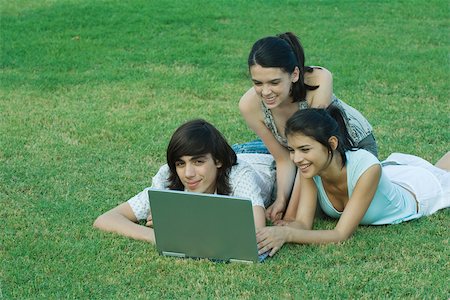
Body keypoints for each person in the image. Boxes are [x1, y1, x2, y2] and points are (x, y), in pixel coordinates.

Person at [256, 107, 450, 257]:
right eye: (292, 150)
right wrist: (274, 232)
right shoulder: (311, 169)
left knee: (440, 172)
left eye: (305, 149)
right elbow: (303, 224)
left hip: (420, 192)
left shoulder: (367, 168)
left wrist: (288, 235)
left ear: (332, 144)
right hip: (391, 179)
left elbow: (340, 235)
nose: (296, 158)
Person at [237, 32, 378, 223]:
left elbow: (315, 152)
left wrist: (291, 217)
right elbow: (284, 158)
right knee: (277, 197)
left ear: (294, 74)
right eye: (258, 83)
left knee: (324, 206)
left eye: (274, 82)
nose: (266, 91)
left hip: (346, 148)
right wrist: (281, 200)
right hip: (302, 156)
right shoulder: (249, 106)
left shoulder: (319, 81)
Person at [93, 119, 275, 243]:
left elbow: (255, 230)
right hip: (235, 150)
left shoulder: (237, 175)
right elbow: (106, 219)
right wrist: (159, 236)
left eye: (198, 162)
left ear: (218, 161)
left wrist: (175, 221)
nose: (188, 173)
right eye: (181, 163)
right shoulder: (168, 178)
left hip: (265, 155)